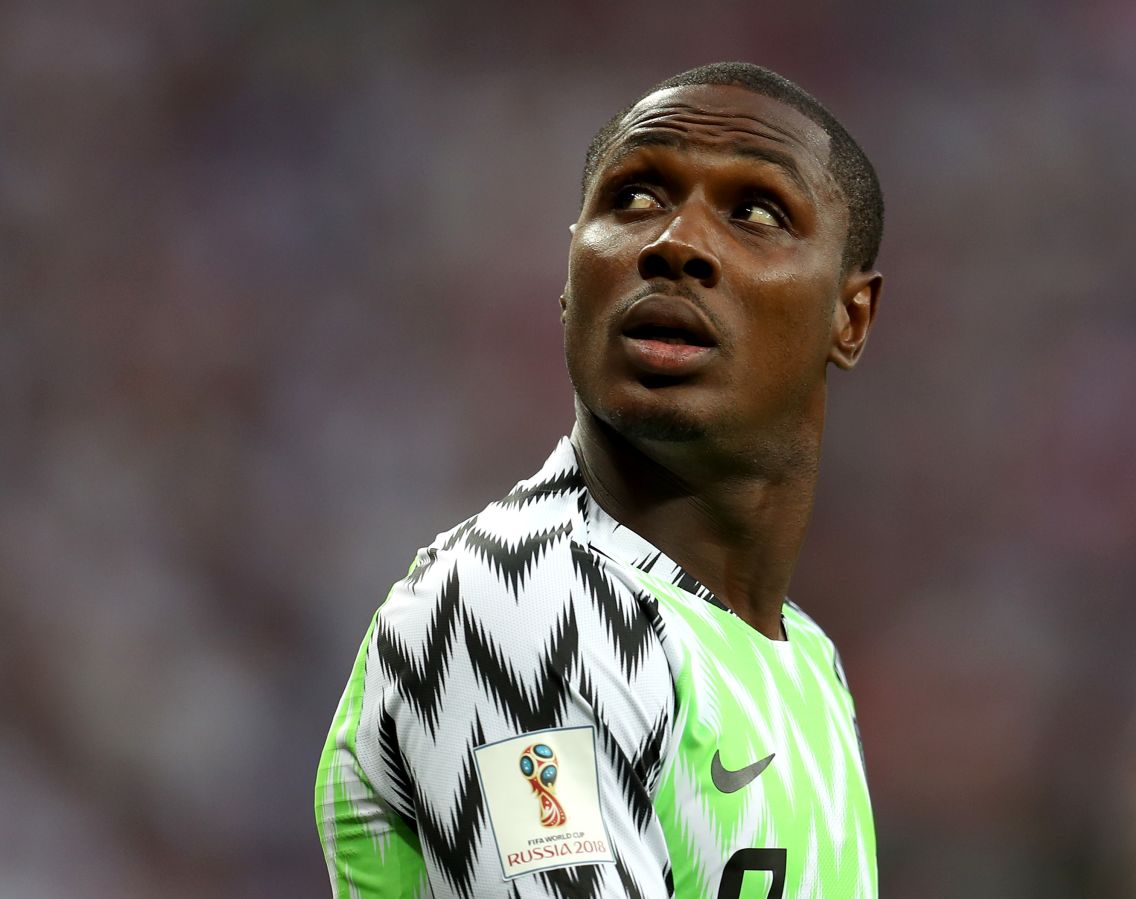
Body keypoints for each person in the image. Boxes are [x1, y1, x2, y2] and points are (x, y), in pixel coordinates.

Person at [316, 61, 884, 898]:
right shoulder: (517, 604)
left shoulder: (804, 660)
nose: (676, 243)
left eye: (755, 211)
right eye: (635, 199)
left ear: (849, 316)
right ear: (570, 285)